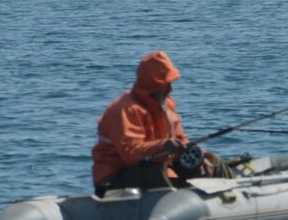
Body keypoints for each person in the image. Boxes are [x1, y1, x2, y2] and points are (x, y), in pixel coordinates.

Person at [91, 50, 220, 195]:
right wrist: (163, 146)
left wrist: (198, 155)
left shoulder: (166, 106)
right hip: (115, 179)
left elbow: (180, 141)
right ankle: (176, 203)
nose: (171, 89)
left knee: (211, 162)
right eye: (167, 85)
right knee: (153, 171)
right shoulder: (125, 109)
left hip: (159, 168)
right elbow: (131, 154)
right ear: (154, 86)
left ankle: (222, 198)